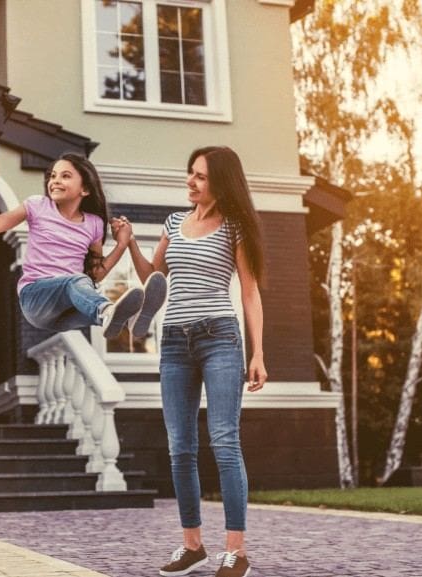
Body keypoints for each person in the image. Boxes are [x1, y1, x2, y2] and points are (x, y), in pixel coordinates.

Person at [124, 146, 268, 577]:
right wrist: (130, 240)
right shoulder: (174, 222)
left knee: (224, 441)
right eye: (190, 173)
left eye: (201, 176)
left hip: (220, 338)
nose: (190, 181)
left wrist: (257, 352)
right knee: (179, 448)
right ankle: (192, 546)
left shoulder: (236, 227)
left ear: (220, 182)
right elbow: (153, 275)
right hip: (173, 342)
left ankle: (236, 551)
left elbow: (249, 292)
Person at [0, 152, 167, 338]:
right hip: (35, 298)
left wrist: (122, 244)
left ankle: (132, 319)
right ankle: (106, 310)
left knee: (86, 289)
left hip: (65, 310)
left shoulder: (94, 223)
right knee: (77, 283)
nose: (55, 181)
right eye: (52, 176)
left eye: (65, 176)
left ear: (85, 189)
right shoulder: (37, 206)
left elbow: (96, 274)